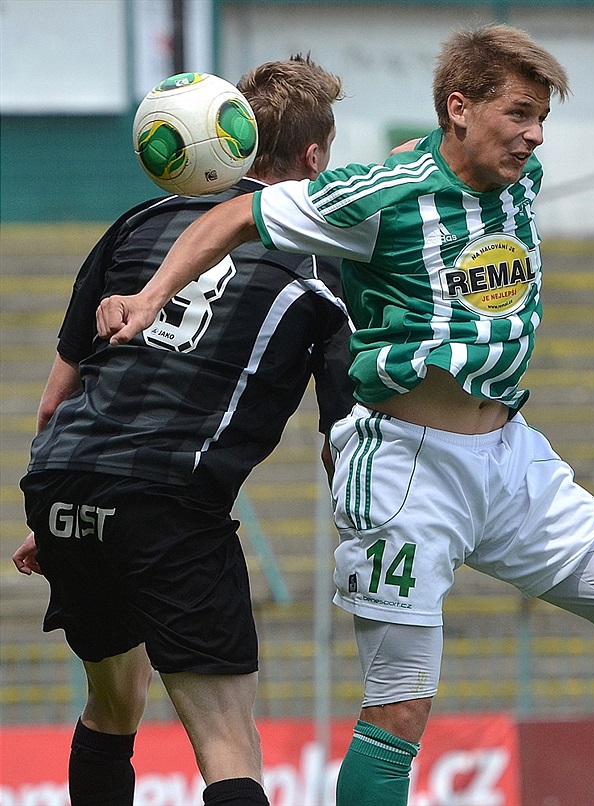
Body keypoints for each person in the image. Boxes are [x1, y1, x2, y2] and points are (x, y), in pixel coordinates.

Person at [94, 24, 594, 806]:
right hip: (408, 471)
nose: (534, 135)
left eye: (541, 117)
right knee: (400, 711)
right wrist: (149, 298)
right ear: (459, 107)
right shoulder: (380, 194)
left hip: (512, 458)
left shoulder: (521, 179)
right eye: (519, 113)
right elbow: (232, 219)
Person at [12, 55, 354, 806]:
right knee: (227, 741)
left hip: (66, 484)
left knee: (113, 705)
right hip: (168, 499)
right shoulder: (325, 263)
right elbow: (341, 438)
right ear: (314, 159)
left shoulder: (137, 223)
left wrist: (62, 515)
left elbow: (54, 402)